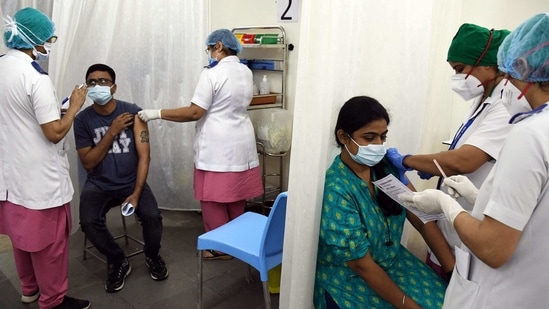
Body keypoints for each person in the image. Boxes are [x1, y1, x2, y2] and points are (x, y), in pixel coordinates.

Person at [399, 12, 549, 308]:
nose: (505, 83)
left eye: (509, 74)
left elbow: (493, 248)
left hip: (498, 294)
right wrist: (479, 196)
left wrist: (446, 204)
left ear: (524, 69)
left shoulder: (530, 133)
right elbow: (533, 216)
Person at [386, 23, 512, 278]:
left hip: (471, 235)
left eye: (460, 69)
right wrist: (436, 169)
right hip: (451, 232)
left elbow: (465, 160)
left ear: (488, 64)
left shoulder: (505, 106)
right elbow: (459, 154)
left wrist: (409, 161)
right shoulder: (482, 100)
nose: (456, 78)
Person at [137, 29, 263, 260]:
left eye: (209, 49)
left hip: (218, 146)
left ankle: (219, 248)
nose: (209, 54)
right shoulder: (245, 70)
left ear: (218, 46)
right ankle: (236, 242)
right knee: (236, 197)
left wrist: (157, 113)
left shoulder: (212, 74)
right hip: (241, 141)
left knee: (212, 198)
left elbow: (195, 111)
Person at [314, 96, 449, 309]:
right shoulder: (336, 189)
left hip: (394, 263)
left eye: (382, 137)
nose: (378, 146)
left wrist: (451, 271)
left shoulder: (386, 168)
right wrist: (408, 305)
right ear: (343, 137)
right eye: (369, 138)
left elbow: (420, 216)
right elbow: (361, 264)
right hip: (350, 276)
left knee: (450, 301)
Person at [0, 7, 91, 309]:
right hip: (39, 178)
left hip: (10, 175)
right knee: (49, 244)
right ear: (34, 38)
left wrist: (55, 112)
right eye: (48, 37)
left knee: (20, 236)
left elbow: (19, 116)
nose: (49, 42)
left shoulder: (2, 66)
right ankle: (53, 301)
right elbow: (53, 133)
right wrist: (75, 106)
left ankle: (29, 289)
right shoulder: (35, 77)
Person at [74, 64, 168, 293]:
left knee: (152, 216)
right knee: (88, 222)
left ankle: (153, 255)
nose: (97, 86)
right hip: (99, 184)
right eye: (92, 82)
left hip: (131, 182)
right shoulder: (82, 120)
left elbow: (145, 157)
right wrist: (113, 131)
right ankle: (117, 260)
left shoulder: (133, 112)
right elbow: (88, 162)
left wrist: (136, 193)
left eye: (103, 81)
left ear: (114, 87)